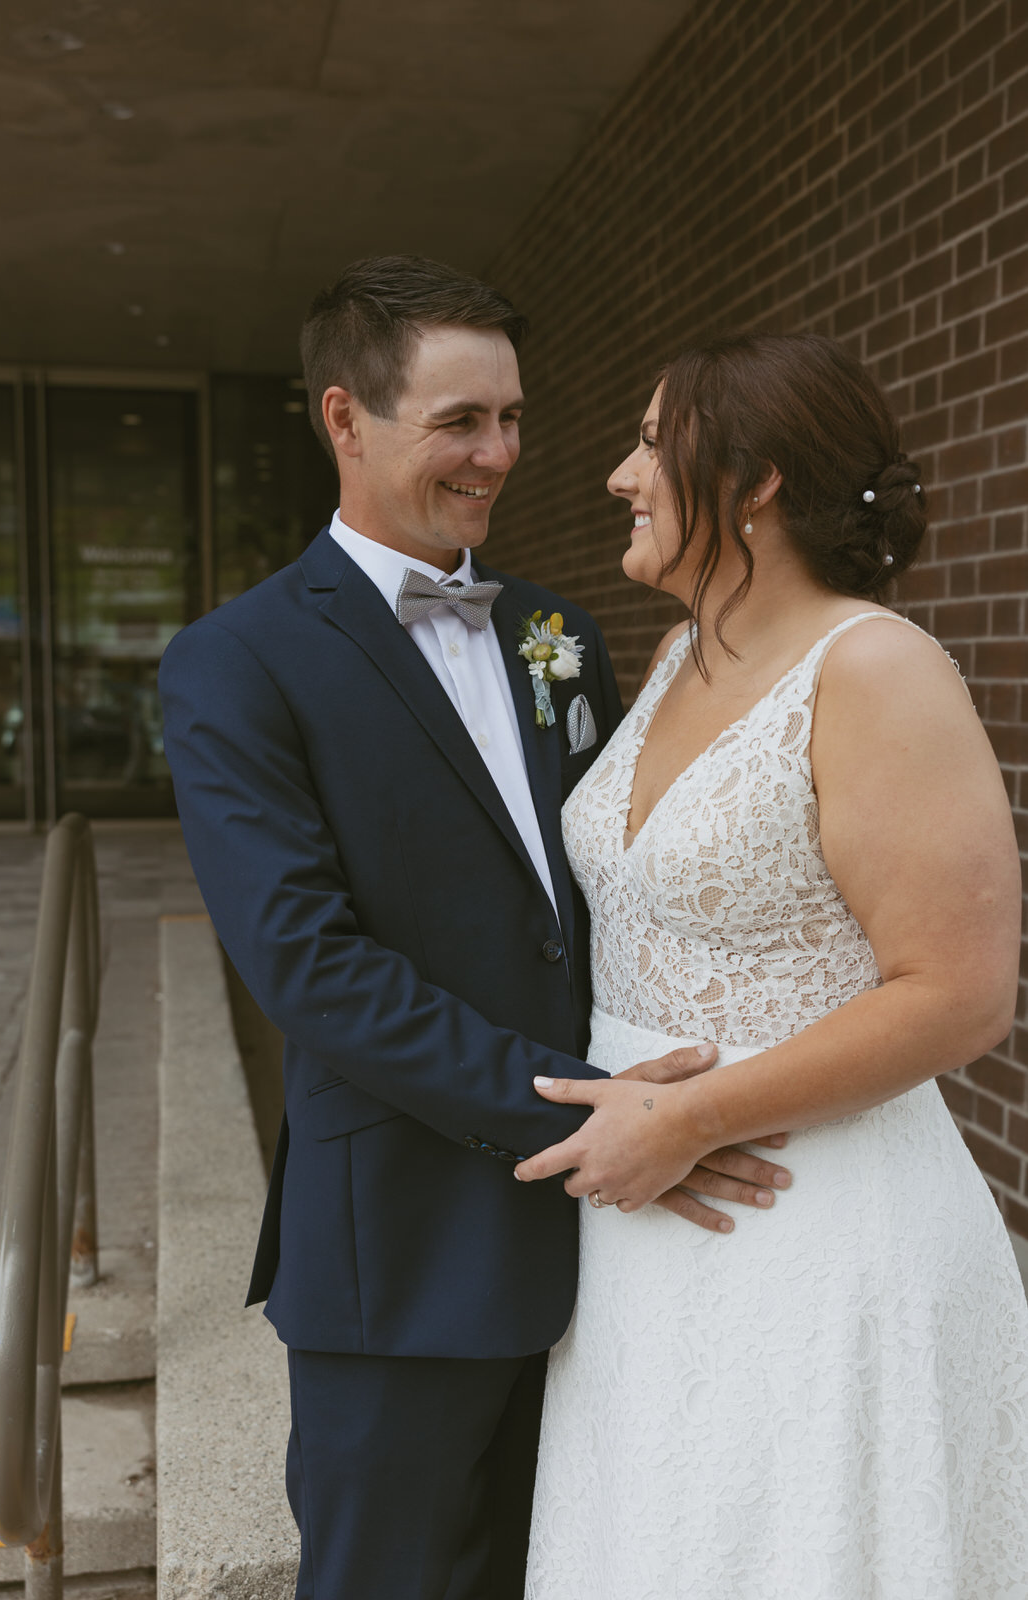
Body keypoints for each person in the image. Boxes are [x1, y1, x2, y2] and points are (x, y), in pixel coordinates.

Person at [157, 258, 793, 1600]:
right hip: (401, 1253)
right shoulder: (237, 660)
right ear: (345, 419)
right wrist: (587, 1113)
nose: (497, 453)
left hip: (610, 1246)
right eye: (459, 421)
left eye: (510, 416)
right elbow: (308, 968)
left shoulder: (558, 634)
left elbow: (617, 899)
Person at [515, 330, 1028, 1598]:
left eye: (650, 441)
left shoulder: (873, 668)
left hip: (815, 1238)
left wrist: (689, 1116)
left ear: (755, 481)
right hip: (645, 1241)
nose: (619, 476)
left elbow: (957, 992)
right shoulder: (688, 653)